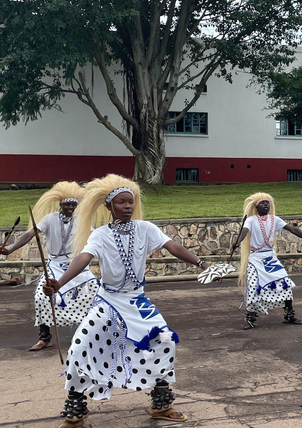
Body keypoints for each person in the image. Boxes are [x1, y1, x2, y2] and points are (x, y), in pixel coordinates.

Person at [44, 174, 214, 427]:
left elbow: (172, 247)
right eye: (122, 203)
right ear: (109, 206)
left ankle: (161, 404)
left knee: (164, 343)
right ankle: (75, 412)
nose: (127, 207)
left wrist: (201, 263)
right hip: (108, 302)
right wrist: (60, 282)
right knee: (80, 348)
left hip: (137, 301)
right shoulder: (100, 235)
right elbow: (84, 258)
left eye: (130, 202)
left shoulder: (145, 229)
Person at [1, 181, 99, 351]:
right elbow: (30, 234)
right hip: (54, 265)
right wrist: (10, 249)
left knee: (95, 294)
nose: (70, 207)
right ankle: (45, 338)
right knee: (41, 297)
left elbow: (96, 238)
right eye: (67, 204)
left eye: (73, 204)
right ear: (60, 204)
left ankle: (92, 334)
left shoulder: (82, 220)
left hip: (76, 265)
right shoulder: (49, 219)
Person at [233, 192, 302, 329]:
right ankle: (250, 318)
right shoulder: (251, 220)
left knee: (285, 282)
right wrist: (238, 241)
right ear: (257, 206)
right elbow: (244, 231)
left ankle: (289, 315)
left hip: (270, 258)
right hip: (255, 259)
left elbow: (293, 229)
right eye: (263, 203)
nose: (266, 205)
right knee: (253, 286)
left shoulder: (275, 219)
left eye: (268, 203)